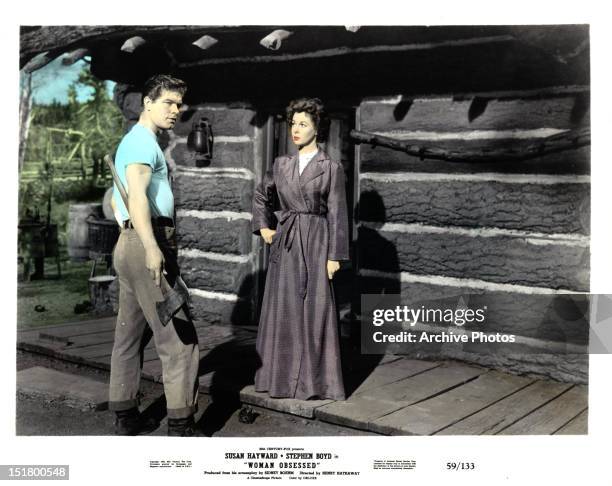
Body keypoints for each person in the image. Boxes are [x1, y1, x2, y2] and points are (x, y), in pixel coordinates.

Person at [108, 74, 200, 436]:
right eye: (168, 102)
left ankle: (126, 416)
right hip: (146, 242)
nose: (176, 110)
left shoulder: (139, 142)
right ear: (147, 102)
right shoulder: (141, 144)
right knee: (179, 339)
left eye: (179, 104)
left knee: (128, 335)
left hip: (130, 243)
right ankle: (181, 426)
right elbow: (136, 200)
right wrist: (151, 249)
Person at [252, 98, 349, 400]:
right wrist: (265, 227)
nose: (295, 129)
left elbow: (337, 212)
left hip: (318, 242)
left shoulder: (330, 168)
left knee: (314, 310)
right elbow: (260, 196)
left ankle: (314, 383)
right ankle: (279, 380)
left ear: (317, 128)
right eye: (293, 123)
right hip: (287, 242)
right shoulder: (281, 165)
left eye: (303, 124)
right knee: (284, 310)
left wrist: (335, 255)